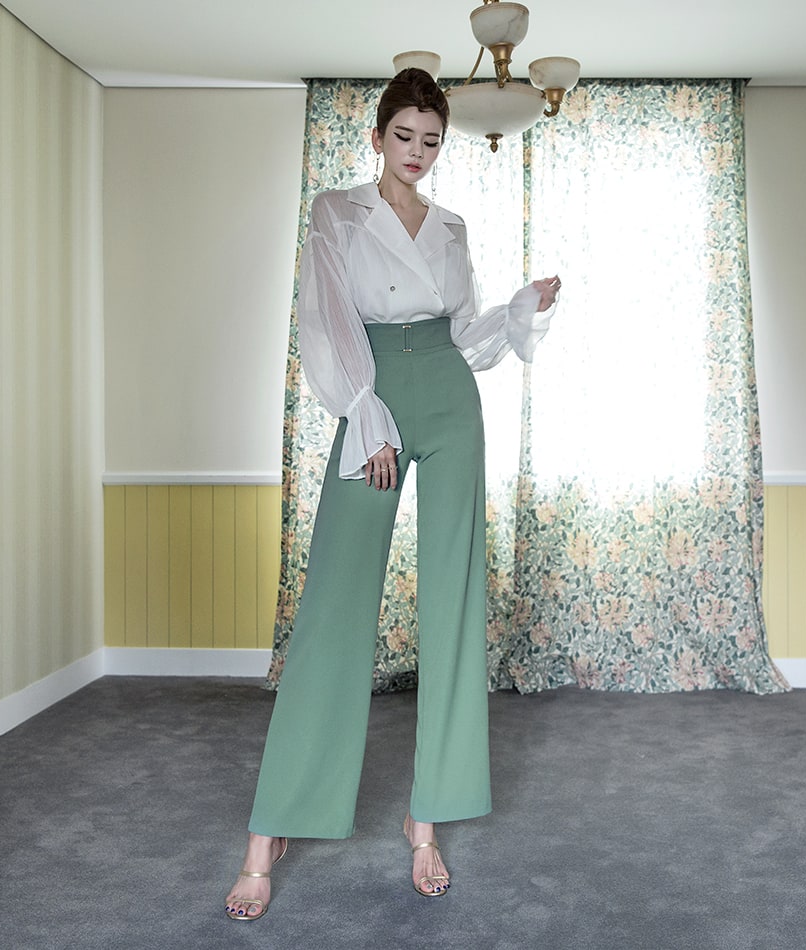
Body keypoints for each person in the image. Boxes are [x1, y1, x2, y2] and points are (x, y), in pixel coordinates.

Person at [225, 67, 560, 921]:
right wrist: (364, 413)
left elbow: (465, 335)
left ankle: (426, 818)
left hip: (448, 396)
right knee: (335, 603)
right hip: (372, 393)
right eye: (404, 136)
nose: (417, 152)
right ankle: (270, 829)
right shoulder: (337, 212)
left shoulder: (450, 226)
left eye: (431, 140)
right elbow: (325, 320)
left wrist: (520, 308)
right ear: (377, 138)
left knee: (453, 602)